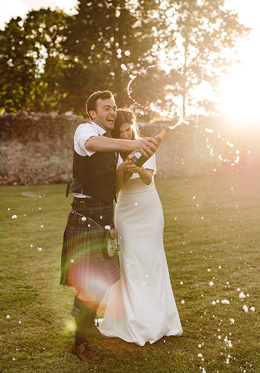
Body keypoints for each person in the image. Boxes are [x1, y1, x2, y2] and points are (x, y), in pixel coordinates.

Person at [60, 92, 158, 364]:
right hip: (85, 215)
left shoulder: (115, 146)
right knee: (91, 285)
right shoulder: (86, 131)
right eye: (106, 108)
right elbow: (93, 144)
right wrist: (136, 141)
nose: (112, 112)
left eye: (114, 107)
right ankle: (80, 344)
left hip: (105, 214)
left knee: (104, 280)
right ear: (93, 113)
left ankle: (84, 317)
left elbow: (115, 187)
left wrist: (129, 167)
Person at [98, 109, 183, 346]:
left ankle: (157, 319)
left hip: (149, 210)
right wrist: (121, 172)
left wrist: (139, 169)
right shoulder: (113, 154)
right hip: (126, 212)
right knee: (130, 263)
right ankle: (132, 319)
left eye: (128, 130)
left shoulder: (147, 146)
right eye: (122, 133)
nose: (126, 135)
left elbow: (148, 179)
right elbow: (114, 190)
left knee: (152, 261)